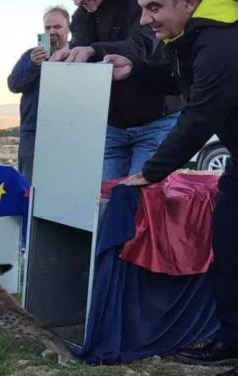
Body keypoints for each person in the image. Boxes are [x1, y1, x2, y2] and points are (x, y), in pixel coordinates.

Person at [108, 0, 238, 374]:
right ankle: (232, 340)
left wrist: (152, 171)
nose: (145, 19)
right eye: (142, 8)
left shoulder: (223, 42)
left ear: (189, 3)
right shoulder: (191, 37)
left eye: (154, 7)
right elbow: (175, 78)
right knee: (228, 248)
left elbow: (200, 114)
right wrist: (133, 69)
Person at [55, 0, 182, 181]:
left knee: (141, 199)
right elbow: (81, 51)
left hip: (155, 122)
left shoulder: (137, 5)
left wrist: (94, 50)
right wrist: (69, 55)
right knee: (107, 198)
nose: (77, 2)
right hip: (110, 126)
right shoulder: (81, 16)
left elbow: (143, 45)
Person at [7, 6, 71, 184]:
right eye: (47, 28)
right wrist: (33, 65)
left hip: (68, 129)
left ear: (68, 28)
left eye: (57, 27)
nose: (52, 32)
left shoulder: (77, 55)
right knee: (30, 184)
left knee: (63, 182)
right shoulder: (30, 55)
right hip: (33, 130)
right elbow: (13, 84)